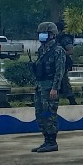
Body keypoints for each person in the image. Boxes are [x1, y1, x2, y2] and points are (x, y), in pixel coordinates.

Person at [31, 21, 68, 152]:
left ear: (52, 34)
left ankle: (52, 142)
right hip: (40, 86)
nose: (41, 35)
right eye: (40, 33)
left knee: (49, 114)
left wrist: (55, 88)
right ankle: (46, 139)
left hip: (50, 87)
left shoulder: (58, 50)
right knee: (40, 113)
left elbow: (59, 71)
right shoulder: (42, 49)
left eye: (44, 33)